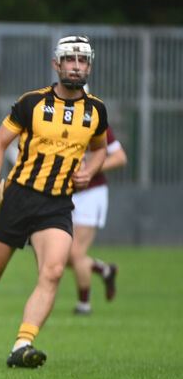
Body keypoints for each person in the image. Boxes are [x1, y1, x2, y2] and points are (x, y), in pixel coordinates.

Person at [0, 35, 109, 369]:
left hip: (57, 203)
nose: (76, 66)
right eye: (69, 60)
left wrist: (91, 169)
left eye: (82, 60)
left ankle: (22, 345)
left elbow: (100, 148)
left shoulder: (96, 111)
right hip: (17, 197)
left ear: (89, 66)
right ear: (56, 64)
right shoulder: (31, 103)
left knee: (54, 271)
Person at [68, 126, 126, 314]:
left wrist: (90, 168)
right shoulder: (55, 118)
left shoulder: (94, 122)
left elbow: (119, 157)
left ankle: (83, 305)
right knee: (61, 255)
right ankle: (104, 270)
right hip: (64, 193)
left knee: (76, 253)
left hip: (91, 194)